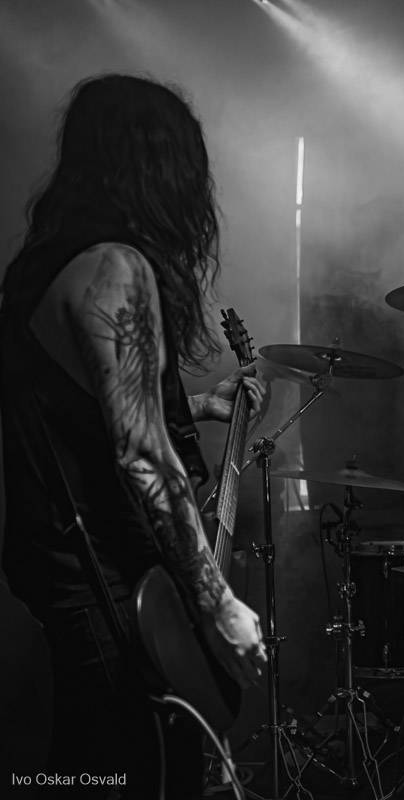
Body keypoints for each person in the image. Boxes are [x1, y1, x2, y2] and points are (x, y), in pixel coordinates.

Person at [0, 74, 267, 798]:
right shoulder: (117, 267)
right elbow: (143, 454)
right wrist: (219, 603)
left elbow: (83, 410)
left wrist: (197, 404)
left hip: (70, 590)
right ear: (163, 169)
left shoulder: (46, 268)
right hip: (114, 596)